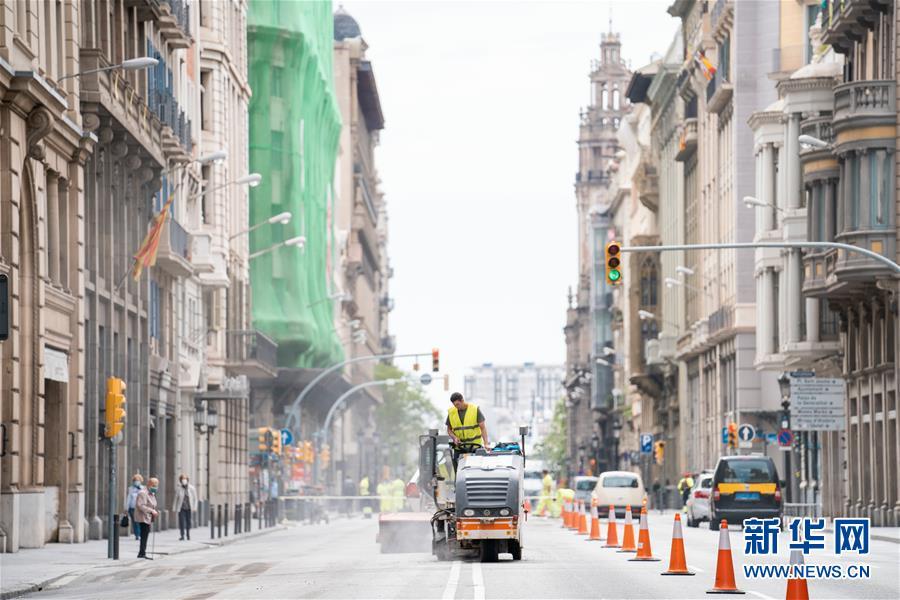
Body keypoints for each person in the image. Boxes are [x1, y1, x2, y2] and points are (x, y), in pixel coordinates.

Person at [446, 393, 488, 469]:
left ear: (462, 400)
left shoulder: (475, 410)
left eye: (457, 404)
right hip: (459, 448)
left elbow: (483, 428)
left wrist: (486, 443)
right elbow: (449, 430)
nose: (456, 407)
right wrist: (454, 438)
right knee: (459, 471)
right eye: (454, 405)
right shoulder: (451, 412)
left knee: (475, 470)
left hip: (475, 447)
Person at [135, 476, 160, 559]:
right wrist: (151, 511)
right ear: (149, 485)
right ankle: (141, 553)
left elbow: (153, 504)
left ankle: (142, 552)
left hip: (147, 517)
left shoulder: (150, 493)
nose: (155, 487)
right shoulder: (143, 493)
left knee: (145, 534)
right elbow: (140, 505)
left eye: (156, 485)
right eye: (154, 485)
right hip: (143, 517)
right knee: (144, 534)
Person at [172, 473, 198, 541]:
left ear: (187, 480)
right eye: (183, 479)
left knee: (188, 522)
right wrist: (174, 508)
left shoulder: (192, 488)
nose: (184, 480)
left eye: (185, 479)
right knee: (181, 522)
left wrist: (195, 507)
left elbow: (195, 498)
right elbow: (176, 499)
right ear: (180, 480)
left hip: (189, 508)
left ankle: (188, 534)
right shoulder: (179, 489)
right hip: (181, 508)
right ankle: (182, 535)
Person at [126, 474, 144, 541]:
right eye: (135, 480)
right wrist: (126, 508)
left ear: (140, 481)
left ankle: (140, 533)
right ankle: (137, 535)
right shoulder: (130, 488)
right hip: (132, 507)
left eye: (138, 480)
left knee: (140, 521)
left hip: (140, 508)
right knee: (135, 522)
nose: (136, 481)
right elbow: (128, 498)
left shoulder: (143, 488)